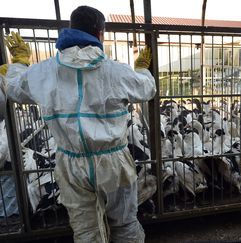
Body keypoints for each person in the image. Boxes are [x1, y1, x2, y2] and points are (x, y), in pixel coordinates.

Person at [3, 5, 155, 243]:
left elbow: (13, 88)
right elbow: (148, 89)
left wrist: (19, 63)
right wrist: (142, 70)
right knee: (124, 224)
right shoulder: (117, 71)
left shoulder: (45, 71)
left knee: (86, 231)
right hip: (114, 162)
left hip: (71, 164)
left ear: (71, 29)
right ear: (100, 33)